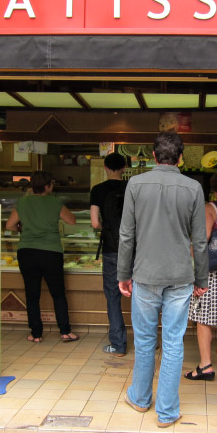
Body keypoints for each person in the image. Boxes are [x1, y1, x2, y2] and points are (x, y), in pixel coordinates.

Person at [117, 132, 209, 428]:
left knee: (144, 340)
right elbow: (200, 240)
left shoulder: (135, 184)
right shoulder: (193, 188)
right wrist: (202, 277)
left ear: (154, 157)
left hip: (144, 274)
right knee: (173, 341)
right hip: (181, 277)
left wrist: (123, 274)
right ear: (180, 158)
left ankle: (141, 399)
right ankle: (167, 412)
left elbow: (126, 234)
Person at [5, 171, 80, 343]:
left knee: (32, 294)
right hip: (51, 252)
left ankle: (36, 334)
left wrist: (23, 229)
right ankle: (65, 332)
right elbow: (72, 221)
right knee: (58, 293)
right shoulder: (55, 202)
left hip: (27, 252)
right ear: (47, 186)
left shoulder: (23, 202)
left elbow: (9, 225)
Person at [184, 169, 217, 381]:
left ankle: (206, 365)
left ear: (215, 190)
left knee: (203, 319)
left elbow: (201, 240)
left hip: (211, 272)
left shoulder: (210, 208)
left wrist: (194, 267)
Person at [90, 152, 128, 357]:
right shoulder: (132, 187)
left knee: (113, 296)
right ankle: (146, 343)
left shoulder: (98, 190)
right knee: (142, 296)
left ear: (105, 167)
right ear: (123, 168)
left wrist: (108, 229)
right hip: (135, 251)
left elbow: (95, 223)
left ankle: (118, 344)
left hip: (112, 249)